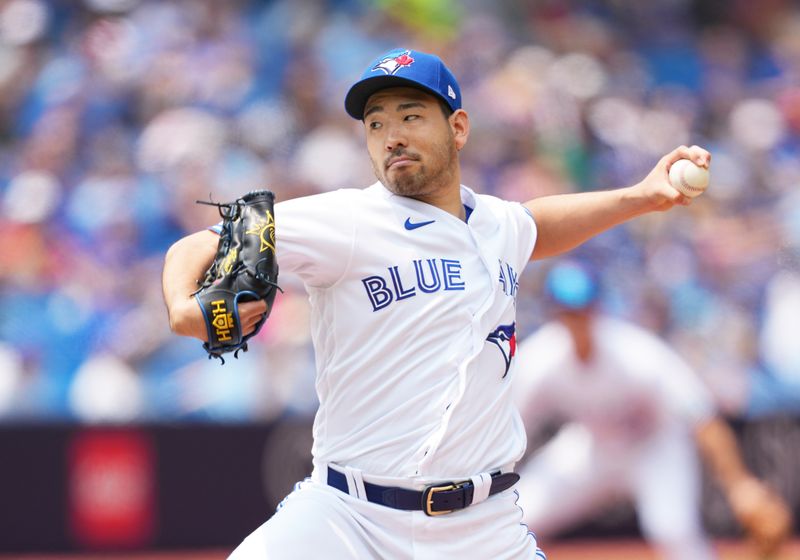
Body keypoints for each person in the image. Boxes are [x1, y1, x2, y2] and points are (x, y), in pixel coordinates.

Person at [162, 48, 709, 559]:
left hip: (485, 528)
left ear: (459, 128)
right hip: (348, 519)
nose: (391, 136)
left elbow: (539, 225)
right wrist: (193, 309)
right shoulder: (347, 220)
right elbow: (200, 244)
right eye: (375, 124)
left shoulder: (498, 224)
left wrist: (640, 197)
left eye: (410, 116)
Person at [513, 260, 792, 560]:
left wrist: (740, 485)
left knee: (673, 531)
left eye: (583, 308)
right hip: (594, 446)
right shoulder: (542, 359)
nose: (578, 318)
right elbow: (510, 425)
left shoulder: (636, 352)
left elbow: (702, 416)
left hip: (655, 447)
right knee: (518, 515)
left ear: (597, 307)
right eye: (569, 310)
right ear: (555, 313)